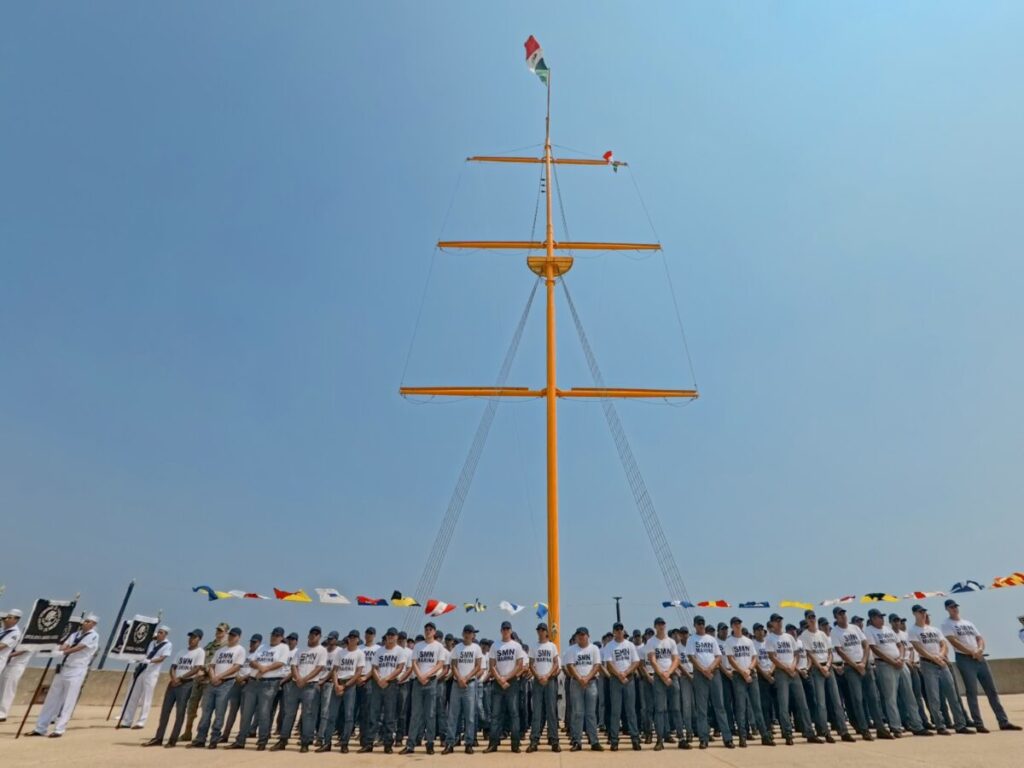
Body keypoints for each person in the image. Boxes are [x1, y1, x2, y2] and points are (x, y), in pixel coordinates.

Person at [941, 598, 1021, 733]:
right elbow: (953, 641)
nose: (954, 609)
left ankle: (1003, 721)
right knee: (972, 692)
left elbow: (979, 638)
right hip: (964, 659)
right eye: (951, 607)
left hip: (979, 658)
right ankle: (978, 723)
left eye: (955, 606)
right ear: (947, 609)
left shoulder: (968, 623)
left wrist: (979, 650)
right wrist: (971, 652)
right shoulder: (947, 624)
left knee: (992, 690)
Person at [30, 613, 100, 738]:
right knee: (52, 698)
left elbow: (79, 647)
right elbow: (66, 645)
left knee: (68, 700)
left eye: (89, 621)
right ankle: (40, 727)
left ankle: (59, 728)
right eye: (85, 621)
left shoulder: (93, 636)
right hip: (63, 668)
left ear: (94, 624)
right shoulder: (75, 634)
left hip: (77, 670)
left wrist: (61, 653)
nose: (85, 623)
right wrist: (56, 648)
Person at [907, 604, 973, 735]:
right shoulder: (913, 630)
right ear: (915, 613)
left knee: (952, 695)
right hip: (928, 664)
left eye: (924, 611)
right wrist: (932, 657)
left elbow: (943, 644)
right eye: (920, 612)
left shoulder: (934, 629)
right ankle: (940, 725)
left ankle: (960, 724)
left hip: (942, 664)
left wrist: (941, 655)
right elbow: (918, 647)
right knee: (934, 697)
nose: (923, 614)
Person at [865, 608, 930, 737]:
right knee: (891, 698)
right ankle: (895, 727)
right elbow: (874, 649)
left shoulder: (888, 629)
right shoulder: (869, 631)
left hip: (900, 663)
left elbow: (900, 645)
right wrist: (891, 661)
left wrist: (900, 658)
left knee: (910, 695)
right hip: (884, 665)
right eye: (879, 617)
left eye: (882, 616)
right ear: (872, 618)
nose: (882, 619)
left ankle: (917, 725)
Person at [831, 606, 889, 740]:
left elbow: (866, 645)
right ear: (835, 617)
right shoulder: (835, 632)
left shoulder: (855, 628)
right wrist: (855, 665)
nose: (843, 616)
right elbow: (840, 651)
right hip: (851, 668)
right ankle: (864, 730)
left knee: (874, 698)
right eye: (840, 614)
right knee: (858, 700)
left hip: (865, 665)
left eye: (844, 613)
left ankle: (880, 728)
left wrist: (863, 662)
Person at [228, 626, 289, 751]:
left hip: (269, 683)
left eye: (277, 635)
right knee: (246, 713)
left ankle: (262, 741)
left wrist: (265, 669)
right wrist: (260, 667)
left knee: (264, 713)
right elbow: (251, 661)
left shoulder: (283, 647)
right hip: (253, 682)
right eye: (273, 634)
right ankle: (240, 740)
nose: (274, 637)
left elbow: (280, 663)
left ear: (282, 637)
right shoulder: (262, 646)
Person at [143, 628, 206, 748]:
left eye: (194, 637)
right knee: (165, 711)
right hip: (173, 683)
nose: (191, 639)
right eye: (190, 637)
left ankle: (172, 739)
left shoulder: (200, 652)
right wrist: (173, 678)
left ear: (199, 639)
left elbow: (197, 668)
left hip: (186, 684)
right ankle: (158, 737)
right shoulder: (181, 651)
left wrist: (181, 678)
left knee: (180, 712)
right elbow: (173, 666)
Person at [799, 609, 854, 743]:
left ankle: (843, 731)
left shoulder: (822, 634)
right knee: (821, 703)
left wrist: (828, 665)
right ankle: (825, 732)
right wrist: (821, 667)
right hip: (816, 670)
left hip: (828, 667)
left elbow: (829, 652)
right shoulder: (804, 636)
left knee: (837, 702)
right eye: (809, 617)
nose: (812, 619)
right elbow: (809, 654)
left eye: (813, 616)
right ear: (806, 620)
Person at [765, 613, 820, 746]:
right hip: (781, 673)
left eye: (780, 620)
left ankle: (809, 733)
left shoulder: (789, 637)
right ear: (771, 623)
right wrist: (786, 668)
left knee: (803, 704)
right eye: (776, 621)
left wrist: (793, 666)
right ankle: (788, 733)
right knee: (784, 705)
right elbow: (772, 657)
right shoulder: (770, 639)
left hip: (793, 672)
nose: (779, 623)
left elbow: (796, 654)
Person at [187, 626, 245, 749]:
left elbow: (236, 667)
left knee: (219, 713)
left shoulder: (240, 650)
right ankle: (200, 738)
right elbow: (212, 665)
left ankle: (214, 739)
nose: (231, 637)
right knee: (206, 712)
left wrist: (220, 677)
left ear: (239, 637)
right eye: (230, 635)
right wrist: (213, 677)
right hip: (212, 682)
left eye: (234, 636)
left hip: (227, 683)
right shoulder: (220, 650)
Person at [272, 626, 326, 752]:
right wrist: (298, 678)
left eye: (316, 634)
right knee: (289, 713)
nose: (313, 636)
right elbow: (294, 665)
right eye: (312, 634)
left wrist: (304, 679)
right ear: (308, 635)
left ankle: (305, 742)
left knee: (308, 714)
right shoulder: (301, 650)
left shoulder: (321, 650)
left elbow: (319, 668)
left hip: (311, 686)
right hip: (296, 685)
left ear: (319, 637)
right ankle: (283, 740)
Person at [724, 616, 774, 747]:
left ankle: (765, 735)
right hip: (738, 675)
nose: (738, 625)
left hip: (751, 674)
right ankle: (742, 737)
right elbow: (731, 659)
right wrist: (743, 672)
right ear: (732, 626)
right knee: (741, 707)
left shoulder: (748, 641)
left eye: (739, 623)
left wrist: (749, 669)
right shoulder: (729, 642)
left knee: (757, 706)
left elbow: (754, 657)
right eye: (735, 623)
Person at [686, 615, 733, 749]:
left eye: (703, 623)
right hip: (700, 674)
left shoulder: (711, 639)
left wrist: (710, 669)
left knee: (720, 706)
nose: (701, 625)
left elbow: (718, 656)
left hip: (714, 673)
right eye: (699, 623)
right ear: (694, 625)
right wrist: (703, 670)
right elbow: (691, 657)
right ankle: (703, 738)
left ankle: (727, 738)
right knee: (702, 708)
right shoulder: (692, 639)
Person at [402, 621, 446, 754]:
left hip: (431, 682)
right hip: (418, 682)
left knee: (430, 714)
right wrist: (420, 675)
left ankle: (430, 743)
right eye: (426, 629)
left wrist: (426, 675)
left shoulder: (439, 647)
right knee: (416, 714)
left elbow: (440, 664)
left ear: (434, 632)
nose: (428, 631)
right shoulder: (418, 646)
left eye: (431, 629)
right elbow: (414, 663)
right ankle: (410, 744)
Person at [182, 621, 228, 743]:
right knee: (192, 705)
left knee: (206, 708)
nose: (218, 632)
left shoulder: (227, 647)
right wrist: (199, 671)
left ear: (226, 632)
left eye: (221, 631)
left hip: (211, 680)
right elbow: (202, 659)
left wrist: (206, 672)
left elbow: (219, 663)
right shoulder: (209, 645)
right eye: (217, 630)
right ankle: (188, 730)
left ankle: (201, 734)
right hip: (199, 679)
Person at [484, 620, 526, 753]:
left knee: (514, 713)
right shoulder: (495, 646)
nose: (506, 631)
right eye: (504, 629)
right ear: (501, 630)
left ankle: (515, 744)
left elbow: (519, 665)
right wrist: (500, 679)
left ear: (511, 631)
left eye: (508, 629)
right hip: (497, 683)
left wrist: (506, 678)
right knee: (496, 714)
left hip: (512, 682)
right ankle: (493, 743)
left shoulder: (516, 646)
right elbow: (492, 665)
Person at [120, 625, 173, 729]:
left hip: (152, 672)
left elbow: (162, 658)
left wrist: (150, 661)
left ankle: (141, 721)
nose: (159, 634)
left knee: (146, 697)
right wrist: (136, 659)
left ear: (166, 634)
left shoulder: (167, 645)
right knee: (134, 695)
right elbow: (143, 654)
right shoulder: (152, 643)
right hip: (142, 669)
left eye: (162, 632)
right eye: (159, 632)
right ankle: (127, 720)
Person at [321, 630, 365, 753]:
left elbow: (358, 672)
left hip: (350, 685)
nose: (352, 639)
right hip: (338, 682)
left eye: (354, 637)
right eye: (350, 637)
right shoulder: (340, 652)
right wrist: (336, 684)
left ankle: (345, 743)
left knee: (349, 716)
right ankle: (327, 742)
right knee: (331, 715)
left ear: (357, 639)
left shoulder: (359, 654)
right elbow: (334, 670)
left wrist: (345, 686)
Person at [363, 627, 404, 753]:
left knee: (389, 716)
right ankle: (369, 743)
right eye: (388, 635)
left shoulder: (399, 651)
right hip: (377, 684)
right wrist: (379, 679)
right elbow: (374, 667)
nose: (390, 637)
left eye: (393, 635)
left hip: (391, 684)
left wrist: (386, 679)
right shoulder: (379, 651)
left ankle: (387, 744)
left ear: (397, 637)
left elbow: (399, 668)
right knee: (373, 714)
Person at [443, 624, 482, 754]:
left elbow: (478, 666)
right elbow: (453, 666)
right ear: (463, 633)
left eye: (470, 632)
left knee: (470, 716)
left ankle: (469, 743)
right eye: (466, 632)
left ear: (473, 635)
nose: (468, 634)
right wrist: (460, 678)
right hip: (456, 684)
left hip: (470, 683)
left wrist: (466, 678)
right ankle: (450, 743)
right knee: (453, 715)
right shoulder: (457, 648)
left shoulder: (476, 648)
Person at [604, 621, 641, 751]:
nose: (619, 631)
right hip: (615, 680)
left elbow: (636, 662)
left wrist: (625, 673)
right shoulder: (609, 646)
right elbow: (608, 663)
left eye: (620, 629)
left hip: (629, 679)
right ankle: (614, 740)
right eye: (616, 629)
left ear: (623, 631)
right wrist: (619, 675)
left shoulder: (630, 645)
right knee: (616, 711)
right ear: (614, 631)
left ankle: (635, 739)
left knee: (631, 711)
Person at [565, 626, 603, 752]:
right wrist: (580, 678)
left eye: (583, 634)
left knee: (591, 714)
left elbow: (597, 665)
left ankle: (594, 741)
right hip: (576, 683)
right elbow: (570, 666)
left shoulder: (594, 649)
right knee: (577, 713)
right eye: (579, 635)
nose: (581, 637)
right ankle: (576, 741)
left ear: (588, 636)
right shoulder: (572, 650)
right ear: (576, 636)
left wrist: (586, 678)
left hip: (591, 683)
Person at [527, 622, 560, 752]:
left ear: (547, 632)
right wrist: (538, 676)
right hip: (538, 681)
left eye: (542, 630)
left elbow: (556, 664)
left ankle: (554, 740)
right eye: (538, 630)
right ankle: (534, 740)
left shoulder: (552, 646)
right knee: (537, 712)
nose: (540, 632)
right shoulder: (533, 646)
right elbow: (530, 664)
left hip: (549, 680)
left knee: (551, 711)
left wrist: (547, 675)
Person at [221, 632, 260, 743]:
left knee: (245, 712)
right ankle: (225, 735)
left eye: (255, 642)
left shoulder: (259, 656)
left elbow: (256, 671)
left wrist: (244, 678)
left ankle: (242, 735)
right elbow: (236, 666)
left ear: (259, 643)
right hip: (237, 683)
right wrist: (238, 677)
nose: (252, 644)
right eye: (251, 642)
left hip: (249, 684)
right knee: (232, 711)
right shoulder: (245, 654)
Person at [0, 613, 32, 723]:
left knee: (8, 690)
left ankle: (3, 713)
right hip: (8, 664)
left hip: (16, 666)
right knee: (2, 689)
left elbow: (21, 651)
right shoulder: (11, 633)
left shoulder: (29, 639)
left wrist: (6, 655)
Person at [357, 626, 380, 749]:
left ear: (374, 635)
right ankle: (361, 737)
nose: (369, 635)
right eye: (367, 633)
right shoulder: (359, 648)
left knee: (368, 711)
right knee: (357, 712)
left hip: (370, 680)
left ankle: (368, 738)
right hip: (356, 680)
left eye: (371, 633)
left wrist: (366, 677)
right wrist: (358, 678)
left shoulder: (378, 649)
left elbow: (376, 667)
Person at [0, 609, 23, 684]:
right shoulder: (3, 631)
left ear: (16, 620)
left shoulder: (15, 633)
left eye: (9, 618)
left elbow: (1, 646)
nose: (6, 620)